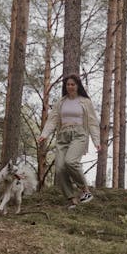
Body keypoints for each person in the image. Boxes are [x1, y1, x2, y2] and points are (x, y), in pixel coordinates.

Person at [38, 74, 101, 209]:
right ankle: (72, 199)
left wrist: (96, 140)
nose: (70, 87)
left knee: (71, 161)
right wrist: (44, 134)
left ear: (77, 86)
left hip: (79, 135)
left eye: (73, 84)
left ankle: (85, 191)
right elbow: (53, 120)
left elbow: (93, 122)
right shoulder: (61, 102)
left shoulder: (85, 102)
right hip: (63, 137)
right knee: (60, 169)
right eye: (68, 85)